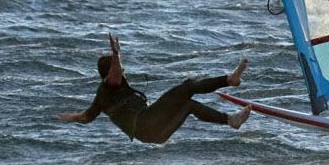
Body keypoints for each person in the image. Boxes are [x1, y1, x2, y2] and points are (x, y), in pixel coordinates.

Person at [60, 34, 251, 144]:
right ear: (110, 73)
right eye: (119, 67)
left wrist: (71, 117)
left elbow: (86, 117)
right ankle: (230, 80)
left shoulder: (102, 97)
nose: (123, 70)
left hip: (152, 134)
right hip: (146, 123)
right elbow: (116, 73)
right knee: (184, 89)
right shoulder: (110, 86)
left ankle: (230, 120)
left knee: (188, 104)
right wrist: (116, 53)